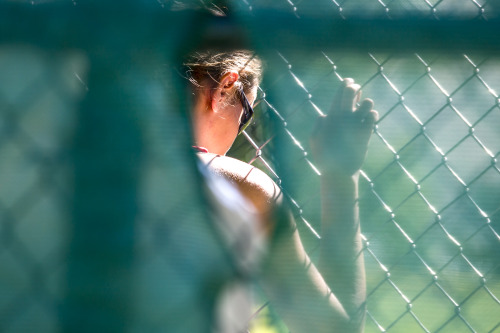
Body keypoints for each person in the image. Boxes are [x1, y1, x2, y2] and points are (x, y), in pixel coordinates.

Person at [183, 49, 378, 333]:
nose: (241, 129)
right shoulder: (240, 186)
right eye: (246, 115)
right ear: (224, 89)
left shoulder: (99, 167)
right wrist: (341, 175)